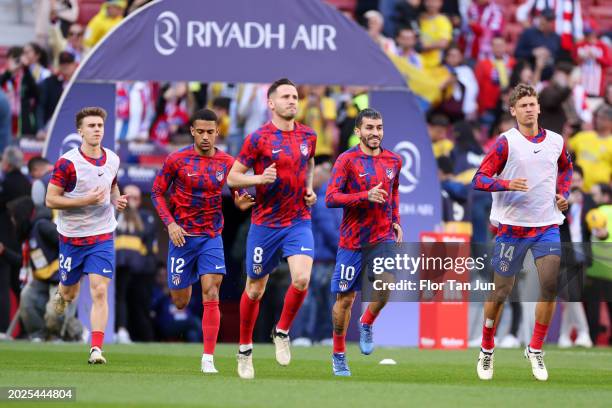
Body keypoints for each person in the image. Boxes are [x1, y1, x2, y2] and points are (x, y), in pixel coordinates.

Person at [472, 83, 573, 381]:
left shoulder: (556, 141)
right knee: (501, 291)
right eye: (523, 105)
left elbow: (566, 169)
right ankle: (487, 349)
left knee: (551, 284)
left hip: (546, 226)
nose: (529, 109)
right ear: (513, 111)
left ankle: (536, 349)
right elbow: (480, 179)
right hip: (511, 229)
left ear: (539, 107)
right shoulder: (506, 143)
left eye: (533, 104)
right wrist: (505, 184)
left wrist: (562, 193)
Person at [152, 108, 254, 373]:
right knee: (181, 301)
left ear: (218, 132)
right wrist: (171, 223)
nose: (206, 136)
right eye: (201, 132)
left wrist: (242, 200)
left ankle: (208, 358)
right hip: (182, 237)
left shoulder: (227, 162)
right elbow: (157, 193)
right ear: (192, 132)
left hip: (211, 236)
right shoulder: (176, 160)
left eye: (211, 132)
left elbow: (239, 192)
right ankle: (188, 276)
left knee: (211, 292)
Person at [227, 78, 317, 380]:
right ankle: (245, 349)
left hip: (298, 220)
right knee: (255, 289)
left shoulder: (308, 135)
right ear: (271, 103)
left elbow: (310, 162)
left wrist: (309, 188)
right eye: (286, 96)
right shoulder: (258, 139)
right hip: (265, 224)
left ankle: (282, 331)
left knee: (302, 279)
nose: (293, 100)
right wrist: (259, 180)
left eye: (295, 95)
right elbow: (233, 178)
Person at [45, 106, 127, 364]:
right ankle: (60, 291)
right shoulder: (67, 163)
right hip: (72, 236)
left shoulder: (113, 158)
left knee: (99, 290)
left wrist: (117, 200)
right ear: (80, 131)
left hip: (102, 234)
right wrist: (85, 200)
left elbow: (112, 185)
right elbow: (50, 199)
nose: (96, 130)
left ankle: (96, 349)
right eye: (91, 126)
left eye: (100, 126)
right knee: (69, 294)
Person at [325, 108, 403, 376]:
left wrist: (396, 220)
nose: (375, 133)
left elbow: (393, 193)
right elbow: (331, 198)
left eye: (379, 127)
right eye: (369, 128)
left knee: (386, 286)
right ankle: (338, 354)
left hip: (382, 236)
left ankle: (367, 321)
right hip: (352, 241)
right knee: (344, 300)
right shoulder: (346, 161)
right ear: (358, 131)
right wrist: (363, 196)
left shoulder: (394, 160)